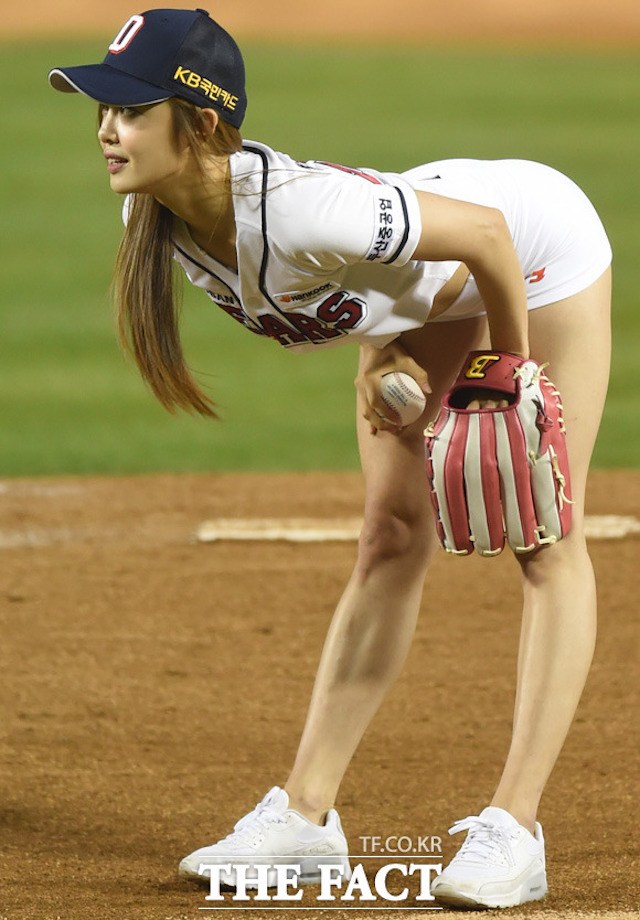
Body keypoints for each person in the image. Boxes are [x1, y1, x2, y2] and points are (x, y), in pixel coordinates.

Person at [49, 8, 612, 909]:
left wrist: (506, 375)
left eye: (129, 107)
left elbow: (487, 240)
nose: (106, 128)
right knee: (390, 534)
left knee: (542, 528)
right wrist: (387, 355)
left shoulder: (300, 208)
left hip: (530, 245)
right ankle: (307, 822)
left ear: (199, 122)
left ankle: (518, 827)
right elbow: (346, 292)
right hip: (428, 285)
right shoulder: (155, 218)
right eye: (101, 108)